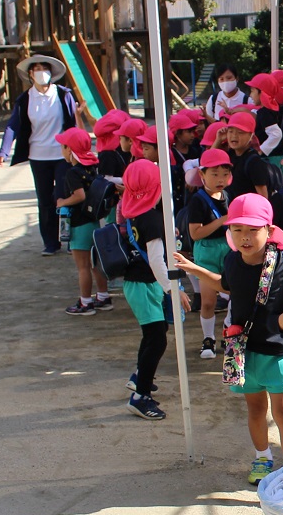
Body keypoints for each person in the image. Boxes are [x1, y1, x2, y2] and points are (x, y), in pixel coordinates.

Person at [181, 194, 283, 484]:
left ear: (269, 230)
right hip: (244, 352)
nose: (245, 237)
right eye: (237, 229)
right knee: (255, 409)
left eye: (253, 230)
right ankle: (262, 457)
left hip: (279, 352)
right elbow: (226, 285)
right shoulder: (232, 259)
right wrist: (195, 269)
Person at [117, 159, 189, 420]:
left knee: (153, 335)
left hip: (138, 284)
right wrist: (173, 290)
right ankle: (140, 397)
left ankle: (140, 378)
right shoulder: (153, 219)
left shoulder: (134, 212)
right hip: (146, 285)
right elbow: (157, 261)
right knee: (157, 338)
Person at [0, 54, 81, 255]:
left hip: (62, 155)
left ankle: (71, 240)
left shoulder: (63, 95)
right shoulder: (25, 99)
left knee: (65, 197)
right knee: (45, 201)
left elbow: (74, 123)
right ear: (30, 74)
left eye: (45, 68)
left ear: (51, 73)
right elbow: (13, 126)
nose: (41, 72)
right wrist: (4, 150)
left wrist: (79, 150)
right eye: (37, 69)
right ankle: (50, 243)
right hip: (38, 156)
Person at [53, 129, 112, 315]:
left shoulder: (73, 173)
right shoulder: (92, 168)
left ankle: (85, 303)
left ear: (69, 150)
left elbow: (79, 196)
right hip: (93, 222)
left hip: (79, 225)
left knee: (83, 267)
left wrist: (63, 202)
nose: (62, 151)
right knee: (95, 264)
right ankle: (103, 297)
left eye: (63, 147)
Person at [186, 147, 233, 360]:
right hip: (206, 251)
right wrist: (222, 221)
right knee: (207, 301)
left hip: (228, 248)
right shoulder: (198, 200)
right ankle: (208, 338)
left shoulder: (227, 196)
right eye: (214, 174)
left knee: (235, 295)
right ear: (202, 174)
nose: (220, 179)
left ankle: (228, 331)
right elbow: (195, 234)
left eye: (225, 174)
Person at [223, 112, 276, 202]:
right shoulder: (229, 155)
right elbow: (208, 165)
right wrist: (218, 140)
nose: (234, 136)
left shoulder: (254, 163)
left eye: (240, 132)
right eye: (230, 131)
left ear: (251, 136)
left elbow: (263, 198)